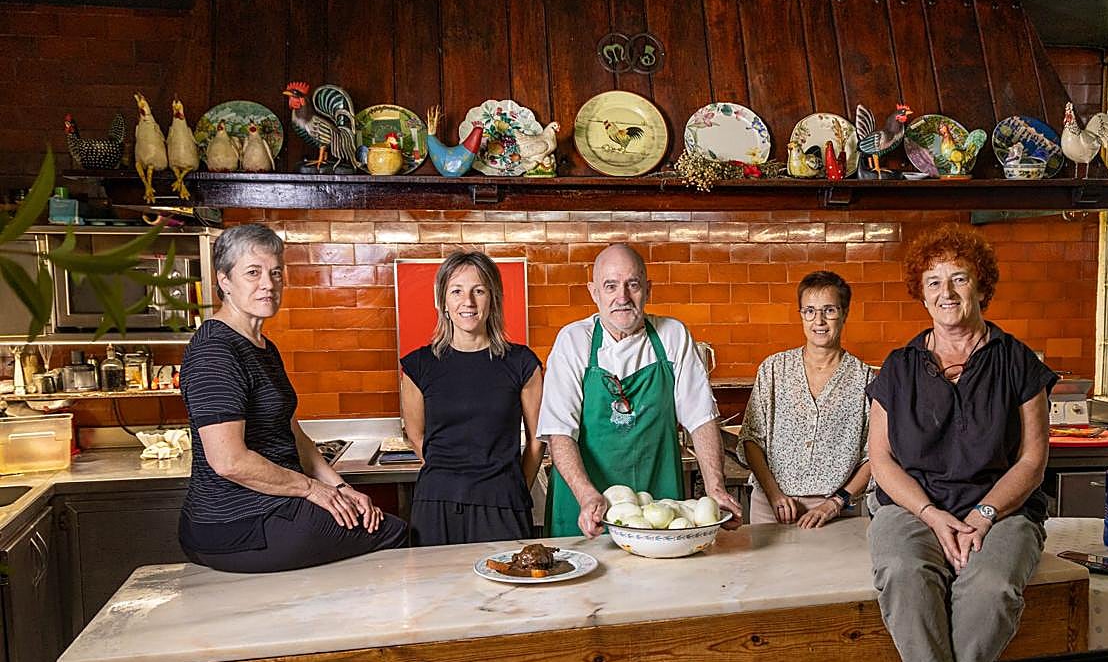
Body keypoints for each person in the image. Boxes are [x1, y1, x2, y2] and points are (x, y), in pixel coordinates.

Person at [865, 224, 1056, 662]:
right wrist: (931, 514)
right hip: (912, 508)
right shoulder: (899, 368)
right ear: (920, 294)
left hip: (1002, 508)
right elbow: (881, 461)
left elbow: (1032, 460)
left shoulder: (1019, 363)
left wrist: (985, 514)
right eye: (933, 282)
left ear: (981, 287)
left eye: (959, 279)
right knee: (903, 572)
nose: (946, 293)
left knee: (994, 587)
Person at [179, 224, 407, 573]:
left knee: (369, 519)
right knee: (394, 534)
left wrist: (340, 487)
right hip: (237, 525)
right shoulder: (215, 350)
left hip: (270, 509)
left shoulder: (262, 347)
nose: (268, 284)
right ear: (224, 280)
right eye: (252, 273)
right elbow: (228, 460)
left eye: (275, 273)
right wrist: (313, 490)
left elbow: (293, 435)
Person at [537, 243, 743, 537]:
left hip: (659, 504)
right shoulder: (574, 341)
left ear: (648, 289)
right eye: (610, 286)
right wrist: (586, 496)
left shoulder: (672, 336)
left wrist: (715, 489)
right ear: (594, 292)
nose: (622, 297)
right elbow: (559, 433)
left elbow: (701, 418)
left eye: (632, 284)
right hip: (585, 503)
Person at [400, 251, 544, 545]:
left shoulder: (522, 363)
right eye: (457, 291)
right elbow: (417, 436)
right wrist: (453, 477)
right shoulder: (418, 366)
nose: (468, 302)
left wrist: (512, 488)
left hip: (502, 505)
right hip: (435, 505)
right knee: (438, 590)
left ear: (493, 299)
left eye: (479, 290)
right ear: (442, 301)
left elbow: (537, 440)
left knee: (509, 589)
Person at [738, 270, 872, 527]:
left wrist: (835, 503)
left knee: (834, 569)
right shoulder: (774, 369)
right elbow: (751, 440)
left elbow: (874, 456)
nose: (819, 321)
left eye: (829, 310)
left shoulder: (865, 379)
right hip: (771, 506)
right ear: (801, 315)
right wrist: (774, 495)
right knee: (766, 568)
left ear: (845, 313)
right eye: (809, 311)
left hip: (836, 513)